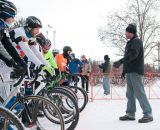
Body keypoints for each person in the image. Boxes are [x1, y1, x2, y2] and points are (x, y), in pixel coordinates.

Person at [113, 23, 153, 123]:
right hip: (130, 72)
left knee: (139, 92)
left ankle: (148, 114)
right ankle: (130, 113)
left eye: (126, 32)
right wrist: (124, 71)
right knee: (130, 94)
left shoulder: (137, 41)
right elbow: (129, 59)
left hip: (136, 71)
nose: (125, 34)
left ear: (131, 32)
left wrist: (120, 62)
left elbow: (133, 55)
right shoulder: (130, 42)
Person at [0, 0, 27, 100]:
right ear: (4, 15)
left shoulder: (3, 28)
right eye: (12, 17)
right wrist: (12, 63)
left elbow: (8, 44)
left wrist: (20, 61)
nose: (13, 20)